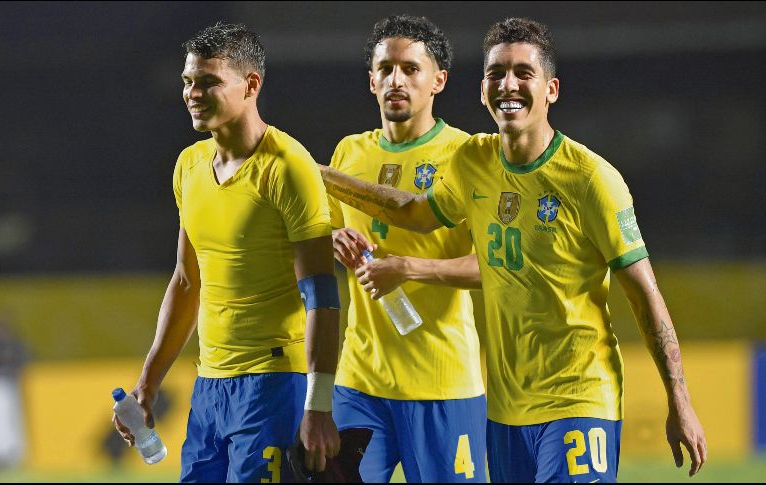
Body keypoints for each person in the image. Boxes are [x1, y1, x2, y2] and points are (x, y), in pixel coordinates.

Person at [319, 17, 707, 483]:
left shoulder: (592, 179)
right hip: (505, 409)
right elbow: (414, 211)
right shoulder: (473, 162)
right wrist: (316, 172)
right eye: (496, 73)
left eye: (524, 73)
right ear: (482, 91)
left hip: (578, 397)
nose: (509, 85)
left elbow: (645, 293)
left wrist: (679, 400)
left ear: (551, 90)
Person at [112, 22, 340, 482]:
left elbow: (322, 295)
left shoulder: (288, 167)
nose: (193, 92)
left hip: (275, 384)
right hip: (210, 385)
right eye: (188, 81)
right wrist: (147, 384)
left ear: (251, 84)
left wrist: (318, 406)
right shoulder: (189, 166)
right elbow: (185, 281)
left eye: (209, 81)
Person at [327, 15, 487, 483]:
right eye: (386, 68)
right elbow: (320, 240)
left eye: (411, 69)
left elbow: (494, 266)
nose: (396, 79)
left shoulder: (469, 155)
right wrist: (330, 239)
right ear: (371, 80)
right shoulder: (349, 154)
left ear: (438, 80)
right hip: (359, 383)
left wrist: (409, 268)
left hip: (443, 385)